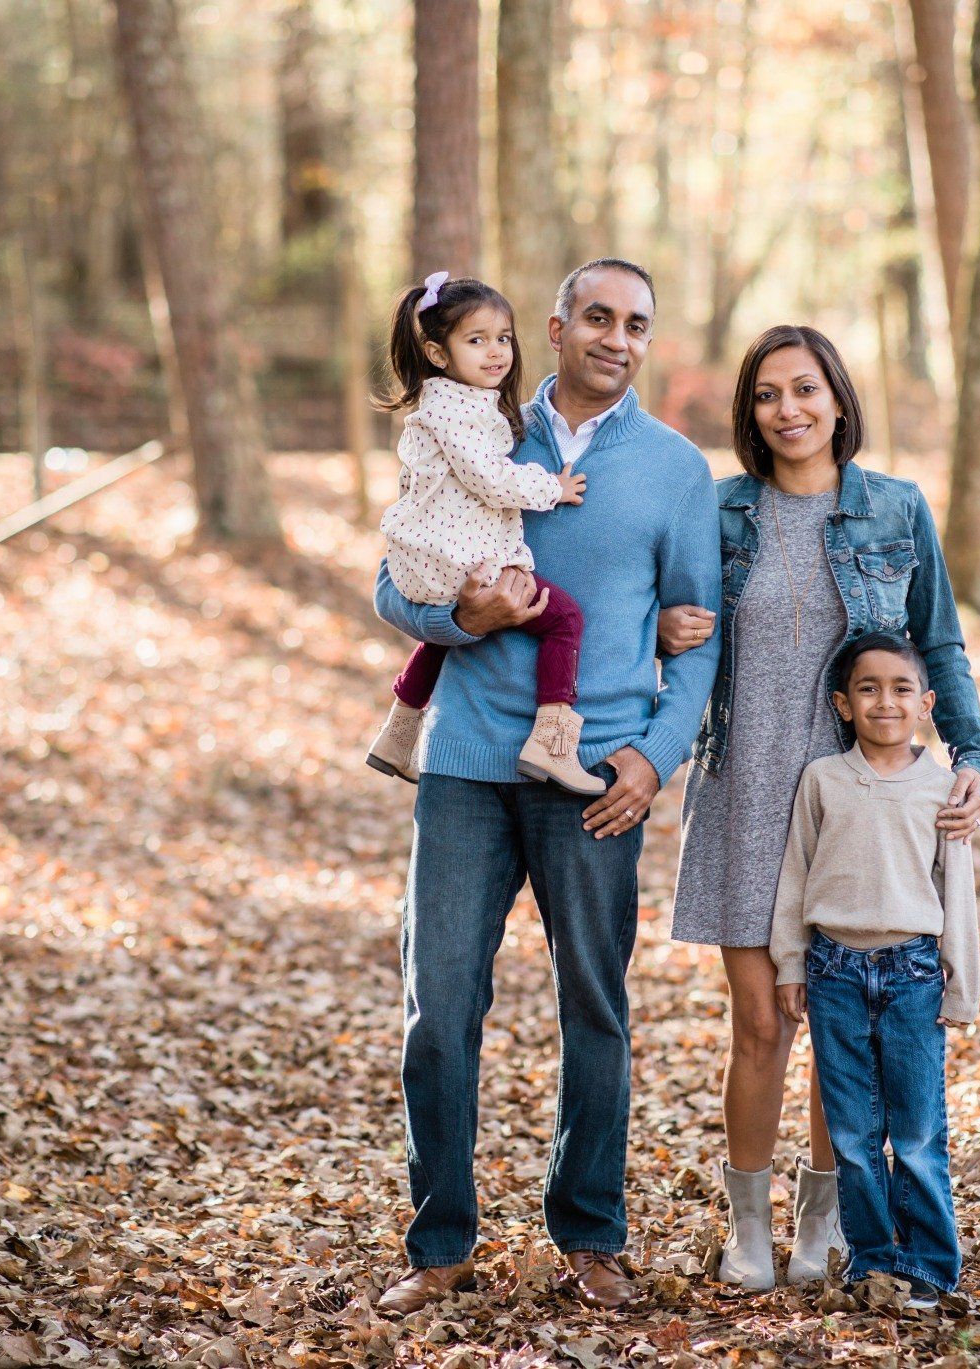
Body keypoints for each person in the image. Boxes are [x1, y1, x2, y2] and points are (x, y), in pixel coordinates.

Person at [371, 259, 722, 1315]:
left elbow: (700, 636)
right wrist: (458, 619)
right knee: (439, 1008)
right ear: (556, 329)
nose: (618, 337)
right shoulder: (474, 426)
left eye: (637, 324)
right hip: (466, 766)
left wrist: (654, 757)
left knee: (595, 1009)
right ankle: (440, 1243)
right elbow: (393, 579)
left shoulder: (675, 469)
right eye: (598, 317)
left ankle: (591, 1232)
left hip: (593, 774)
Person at [659, 324, 980, 1291]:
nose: (788, 409)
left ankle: (825, 1220)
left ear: (839, 398)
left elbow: (939, 644)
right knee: (762, 1022)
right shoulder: (719, 509)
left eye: (805, 389)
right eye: (767, 394)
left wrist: (972, 753)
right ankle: (748, 1227)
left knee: (842, 1028)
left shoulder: (896, 507)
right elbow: (662, 620)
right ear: (749, 412)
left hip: (860, 808)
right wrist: (660, 627)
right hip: (745, 789)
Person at [771, 633, 980, 1310]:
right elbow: (795, 876)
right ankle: (872, 1260)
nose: (884, 701)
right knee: (853, 1133)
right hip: (833, 969)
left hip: (912, 972)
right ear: (843, 704)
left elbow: (956, 889)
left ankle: (929, 1265)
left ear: (926, 703)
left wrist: (961, 982)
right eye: (868, 688)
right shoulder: (823, 780)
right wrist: (790, 963)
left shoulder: (944, 788)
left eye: (900, 688)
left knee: (917, 1131)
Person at [365, 270, 606, 796]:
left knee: (441, 642)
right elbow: (491, 478)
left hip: (434, 559)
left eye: (503, 338)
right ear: (437, 353)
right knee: (564, 619)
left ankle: (397, 735)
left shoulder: (450, 405)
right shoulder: (456, 413)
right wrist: (552, 487)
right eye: (476, 341)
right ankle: (552, 742)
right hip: (457, 558)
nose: (496, 352)